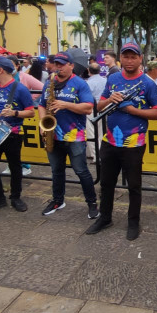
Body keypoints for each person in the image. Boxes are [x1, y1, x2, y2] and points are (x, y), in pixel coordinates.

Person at [85, 42, 157, 241]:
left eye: (133, 57)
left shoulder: (148, 84)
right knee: (106, 183)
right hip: (110, 141)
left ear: (140, 59)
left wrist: (132, 110)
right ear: (121, 58)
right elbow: (100, 106)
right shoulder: (112, 79)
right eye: (126, 56)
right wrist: (110, 99)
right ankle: (105, 218)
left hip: (134, 144)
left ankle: (133, 222)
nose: (129, 61)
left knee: (134, 186)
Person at [38, 52, 99, 218]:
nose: (58, 68)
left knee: (81, 171)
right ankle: (58, 200)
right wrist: (42, 122)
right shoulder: (49, 82)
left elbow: (88, 108)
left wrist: (65, 104)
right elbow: (42, 105)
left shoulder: (80, 84)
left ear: (71, 66)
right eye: (56, 64)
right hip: (53, 135)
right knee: (56, 171)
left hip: (74, 136)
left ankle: (92, 203)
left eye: (62, 64)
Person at [0, 57, 35, 213]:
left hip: (12, 133)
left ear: (1, 70)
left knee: (15, 166)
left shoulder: (20, 89)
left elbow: (31, 112)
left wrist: (14, 112)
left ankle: (16, 197)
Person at [85, 62, 106, 163]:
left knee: (91, 132)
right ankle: (100, 154)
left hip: (92, 108)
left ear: (89, 71)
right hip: (103, 107)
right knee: (101, 132)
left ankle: (95, 156)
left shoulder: (88, 83)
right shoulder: (105, 80)